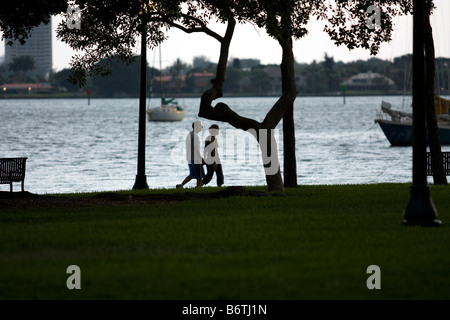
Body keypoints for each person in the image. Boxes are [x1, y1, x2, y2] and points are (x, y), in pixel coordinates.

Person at [176, 120, 205, 188]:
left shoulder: (189, 134)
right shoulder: (195, 136)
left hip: (189, 157)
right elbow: (195, 148)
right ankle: (198, 188)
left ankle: (181, 185)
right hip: (195, 158)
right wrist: (201, 158)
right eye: (201, 126)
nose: (201, 128)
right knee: (199, 174)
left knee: (192, 174)